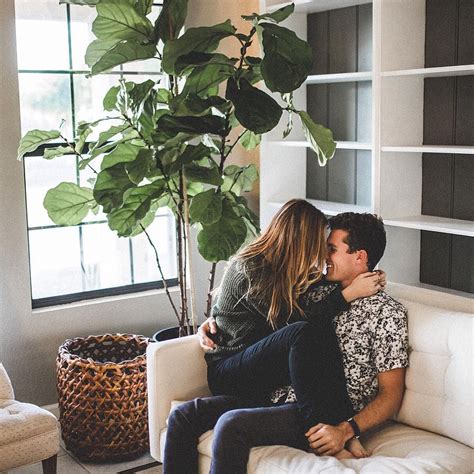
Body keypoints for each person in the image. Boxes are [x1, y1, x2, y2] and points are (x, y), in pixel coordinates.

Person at [163, 201, 386, 473]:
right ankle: (321, 427)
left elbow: (341, 272)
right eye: (320, 244)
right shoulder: (251, 269)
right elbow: (293, 325)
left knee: (183, 416)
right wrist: (347, 296)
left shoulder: (289, 269)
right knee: (302, 332)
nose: (322, 252)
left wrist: (369, 277)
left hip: (260, 370)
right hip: (231, 370)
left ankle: (337, 427)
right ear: (301, 241)